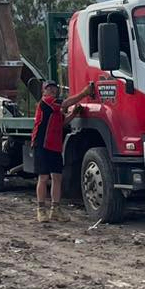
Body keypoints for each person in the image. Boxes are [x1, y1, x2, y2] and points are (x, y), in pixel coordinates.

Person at [32, 81, 96, 222]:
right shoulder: (47, 102)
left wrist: (73, 114)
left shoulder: (55, 108)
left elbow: (62, 123)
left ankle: (55, 209)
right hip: (42, 145)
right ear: (44, 91)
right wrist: (84, 93)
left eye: (55, 88)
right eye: (49, 88)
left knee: (57, 177)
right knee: (43, 177)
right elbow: (65, 103)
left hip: (54, 146)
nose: (53, 90)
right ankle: (41, 210)